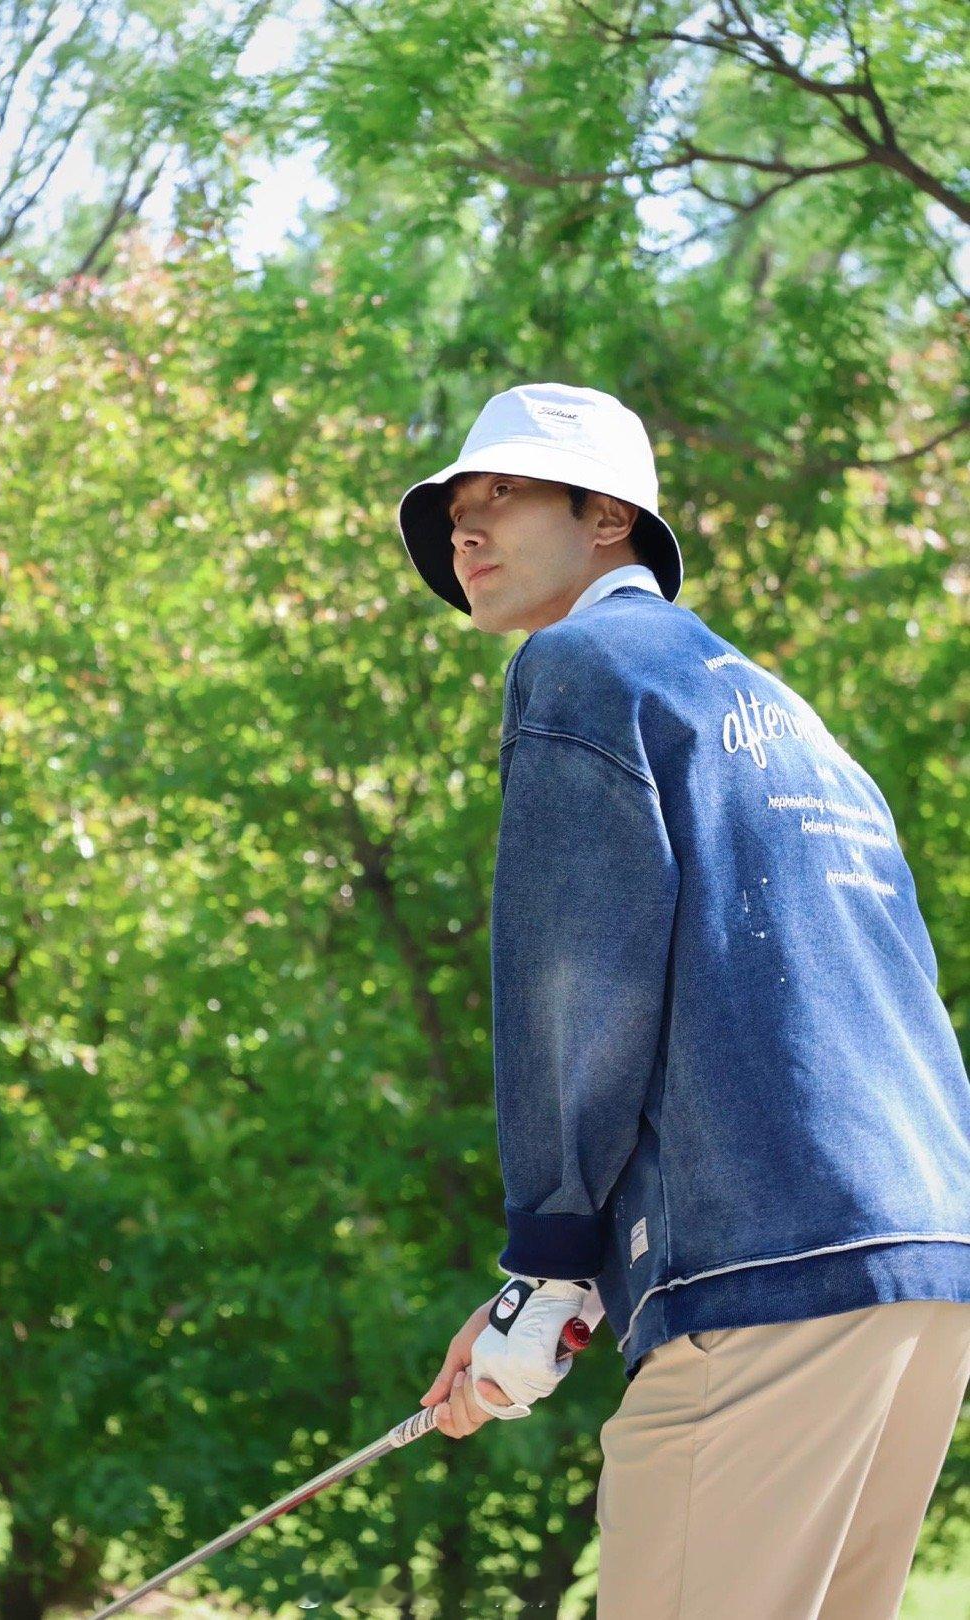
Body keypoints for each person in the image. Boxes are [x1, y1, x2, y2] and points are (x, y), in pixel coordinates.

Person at [393, 382, 970, 1619]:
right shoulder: (795, 722)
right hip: (928, 1266)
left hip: (767, 1276)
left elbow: (577, 980)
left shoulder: (579, 666)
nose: (464, 528)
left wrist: (548, 1264)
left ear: (608, 517)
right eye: (453, 509)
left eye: (504, 492)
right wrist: (566, 1288)